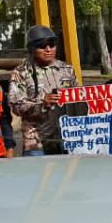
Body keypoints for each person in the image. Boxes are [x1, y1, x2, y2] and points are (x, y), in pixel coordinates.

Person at [9, 25, 79, 156]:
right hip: (36, 141)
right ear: (32, 49)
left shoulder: (67, 69)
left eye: (51, 45)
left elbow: (79, 99)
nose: (48, 49)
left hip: (66, 137)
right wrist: (42, 104)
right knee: (38, 176)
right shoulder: (21, 72)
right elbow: (16, 106)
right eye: (42, 46)